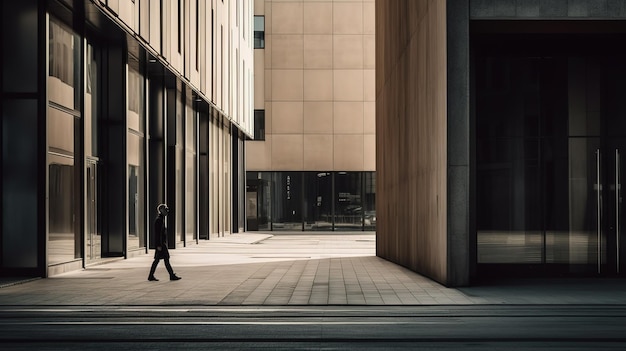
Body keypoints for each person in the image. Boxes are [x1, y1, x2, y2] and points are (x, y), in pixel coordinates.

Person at [148, 204, 181, 281]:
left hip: (161, 244)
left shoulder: (161, 219)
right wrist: (159, 245)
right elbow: (158, 234)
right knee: (161, 259)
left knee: (161, 260)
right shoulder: (159, 220)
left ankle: (152, 275)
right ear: (161, 210)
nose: (167, 211)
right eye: (165, 209)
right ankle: (171, 275)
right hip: (161, 244)